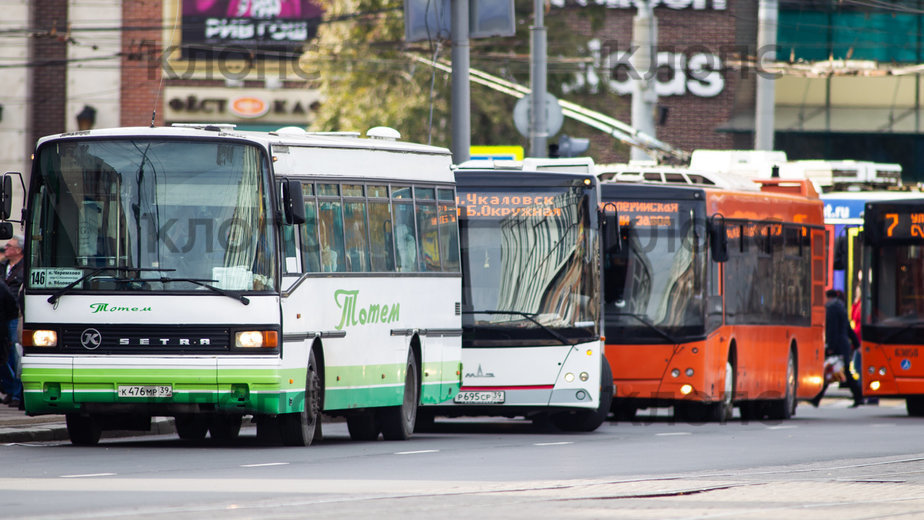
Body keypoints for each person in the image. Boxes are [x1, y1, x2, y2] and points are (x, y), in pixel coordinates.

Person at [811, 289, 863, 408]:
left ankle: (859, 396)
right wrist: (856, 344)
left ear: (828, 297)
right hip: (843, 346)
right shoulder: (840, 307)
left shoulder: (831, 308)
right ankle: (817, 398)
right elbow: (848, 329)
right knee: (836, 372)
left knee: (833, 372)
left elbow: (832, 330)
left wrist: (830, 347)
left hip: (837, 346)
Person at [0, 236, 23, 408]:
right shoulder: (3, 267)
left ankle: (16, 393)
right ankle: (9, 389)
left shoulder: (24, 268)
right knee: (4, 357)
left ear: (18, 250)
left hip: (14, 315)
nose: (5, 248)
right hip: (3, 315)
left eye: (9, 245)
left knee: (15, 354)